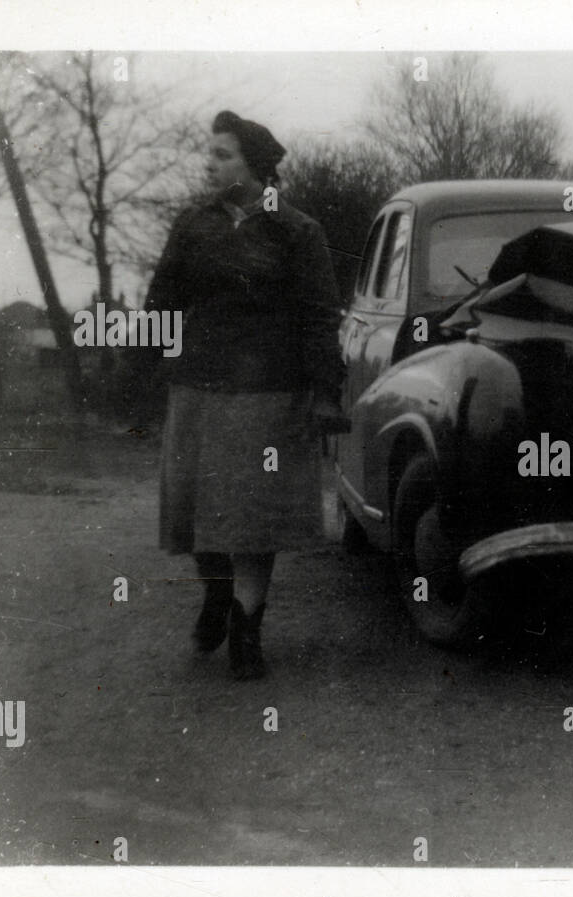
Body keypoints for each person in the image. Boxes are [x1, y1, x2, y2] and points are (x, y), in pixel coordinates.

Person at [146, 110, 345, 680]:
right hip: (198, 388)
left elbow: (317, 318)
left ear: (255, 165)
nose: (210, 163)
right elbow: (163, 302)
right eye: (209, 154)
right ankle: (216, 593)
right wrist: (143, 366)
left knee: (251, 516)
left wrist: (325, 393)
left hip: (267, 394)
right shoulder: (193, 225)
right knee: (197, 508)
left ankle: (246, 625)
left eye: (222, 154)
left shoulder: (297, 231)